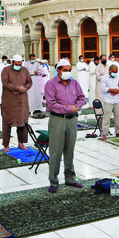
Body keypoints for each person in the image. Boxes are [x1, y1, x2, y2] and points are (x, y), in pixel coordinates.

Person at [44, 59, 85, 192]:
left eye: (69, 70)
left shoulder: (74, 83)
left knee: (69, 150)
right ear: (58, 70)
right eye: (65, 70)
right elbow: (51, 104)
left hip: (72, 120)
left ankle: (70, 178)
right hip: (57, 120)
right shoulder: (51, 84)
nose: (67, 72)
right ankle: (53, 181)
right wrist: (68, 108)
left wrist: (76, 107)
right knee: (55, 152)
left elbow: (82, 98)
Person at [0, 54, 32, 152]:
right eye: (17, 64)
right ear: (13, 62)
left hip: (22, 101)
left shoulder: (25, 70)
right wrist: (17, 88)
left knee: (22, 121)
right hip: (9, 101)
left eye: (20, 64)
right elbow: (5, 83)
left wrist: (24, 88)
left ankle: (21, 143)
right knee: (7, 121)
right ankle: (6, 145)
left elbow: (29, 82)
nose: (18, 65)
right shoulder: (6, 70)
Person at [100, 63, 119, 139]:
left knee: (118, 117)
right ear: (109, 70)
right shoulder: (104, 78)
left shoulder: (118, 77)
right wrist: (112, 90)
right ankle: (105, 133)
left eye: (116, 72)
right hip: (108, 100)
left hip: (116, 100)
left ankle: (118, 132)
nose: (114, 73)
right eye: (113, 72)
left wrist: (117, 90)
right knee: (106, 117)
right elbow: (103, 89)